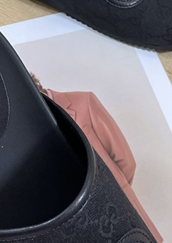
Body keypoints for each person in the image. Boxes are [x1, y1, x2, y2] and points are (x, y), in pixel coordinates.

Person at [31, 75, 163, 243]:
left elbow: (125, 161)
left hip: (126, 217)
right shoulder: (32, 135)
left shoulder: (84, 103)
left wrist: (114, 191)